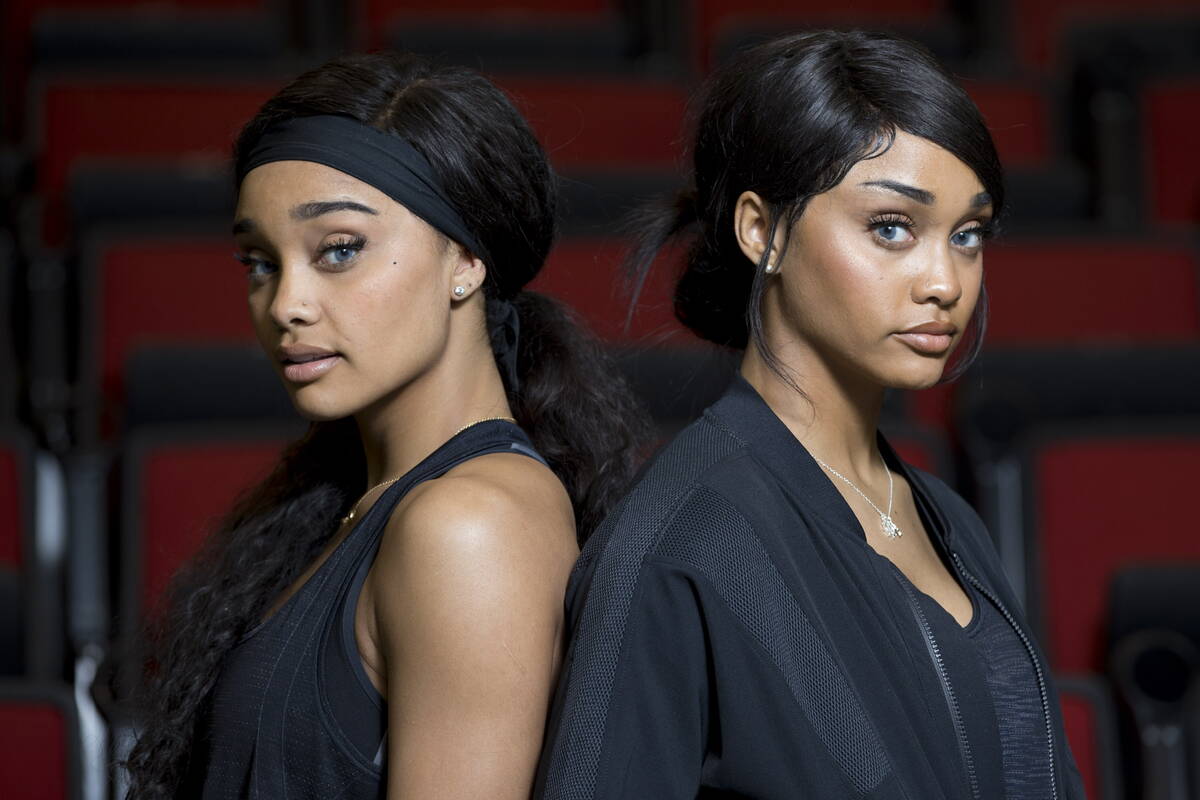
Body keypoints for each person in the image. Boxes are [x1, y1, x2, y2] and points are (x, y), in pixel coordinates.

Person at [534, 30, 1086, 799]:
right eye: (891, 227)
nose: (945, 281)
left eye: (967, 235)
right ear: (762, 230)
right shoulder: (677, 544)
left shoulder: (951, 521)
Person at [124, 52, 649, 799]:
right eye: (259, 262)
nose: (284, 305)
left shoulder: (470, 525)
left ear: (465, 260)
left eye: (339, 250)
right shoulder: (358, 499)